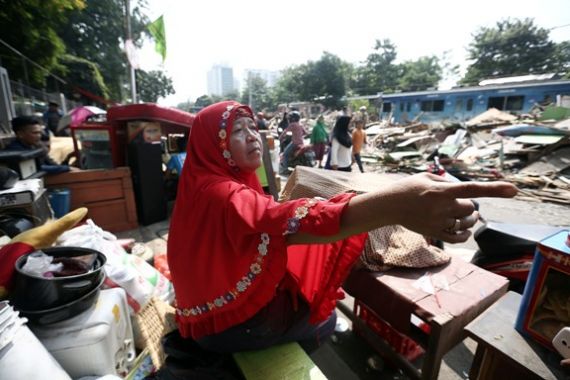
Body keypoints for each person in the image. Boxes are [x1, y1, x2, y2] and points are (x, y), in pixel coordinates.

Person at [167, 100, 518, 354]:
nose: (252, 136)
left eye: (251, 127)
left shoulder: (199, 183)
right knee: (326, 321)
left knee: (296, 277)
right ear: (215, 146)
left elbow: (261, 223)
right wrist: (395, 204)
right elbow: (281, 221)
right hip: (230, 328)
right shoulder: (224, 193)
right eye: (236, 131)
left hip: (205, 319)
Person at [5, 116, 74, 174]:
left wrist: (67, 160)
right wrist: (67, 168)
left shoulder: (36, 146)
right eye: (35, 133)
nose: (39, 136)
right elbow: (36, 168)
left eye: (40, 133)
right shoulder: (14, 151)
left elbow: (52, 164)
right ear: (20, 134)